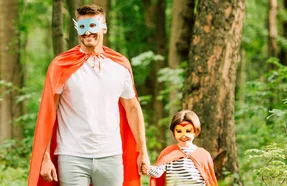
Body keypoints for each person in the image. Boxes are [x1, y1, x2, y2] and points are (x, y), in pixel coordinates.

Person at [27, 4, 150, 186]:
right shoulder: (62, 65)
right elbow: (48, 113)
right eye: (82, 27)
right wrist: (45, 157)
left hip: (111, 154)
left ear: (104, 28)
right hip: (72, 155)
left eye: (93, 26)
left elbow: (132, 108)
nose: (87, 33)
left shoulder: (119, 65)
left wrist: (143, 151)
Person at [146, 110, 218, 186]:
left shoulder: (203, 154)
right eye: (179, 131)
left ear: (195, 131)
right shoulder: (169, 153)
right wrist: (146, 168)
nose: (183, 135)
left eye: (188, 131)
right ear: (174, 132)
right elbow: (157, 172)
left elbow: (208, 179)